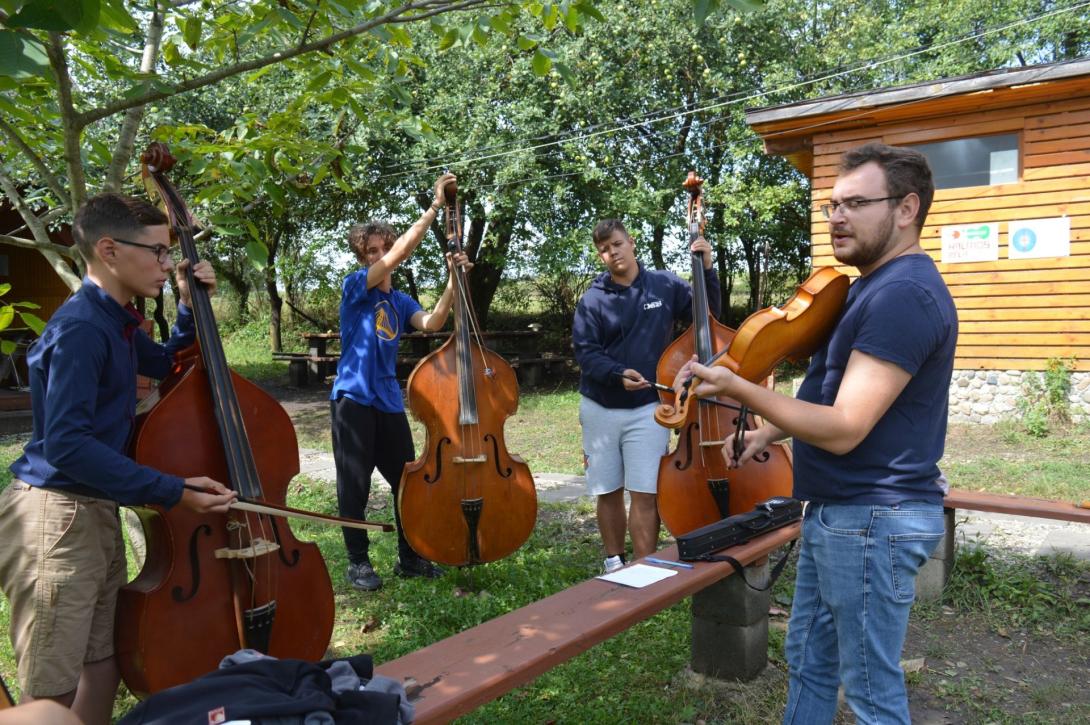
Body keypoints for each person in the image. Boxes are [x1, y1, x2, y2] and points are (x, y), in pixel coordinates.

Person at [678, 143, 956, 724]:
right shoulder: (869, 286)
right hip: (844, 515)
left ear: (906, 209)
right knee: (808, 658)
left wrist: (735, 388)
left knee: (871, 695)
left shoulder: (903, 295)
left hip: (873, 518)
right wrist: (766, 434)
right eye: (833, 204)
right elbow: (836, 397)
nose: (836, 216)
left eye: (856, 203)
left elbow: (847, 427)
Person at [0, 193, 238, 725]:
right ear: (108, 250)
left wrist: (186, 303)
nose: (167, 263)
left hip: (90, 510)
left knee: (101, 662)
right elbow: (66, 444)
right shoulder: (84, 327)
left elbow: (168, 363)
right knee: (50, 692)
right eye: (157, 252)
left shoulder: (118, 320)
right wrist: (171, 489)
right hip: (56, 517)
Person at [331, 172, 472, 592]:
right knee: (353, 485)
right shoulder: (356, 287)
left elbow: (433, 322)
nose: (380, 255)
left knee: (406, 483)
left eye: (383, 247)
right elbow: (400, 255)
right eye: (371, 252)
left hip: (389, 401)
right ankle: (358, 563)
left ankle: (410, 558)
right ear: (364, 259)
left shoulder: (399, 301)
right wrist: (433, 209)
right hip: (353, 399)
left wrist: (453, 280)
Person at [572, 218, 720, 573]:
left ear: (632, 242)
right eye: (604, 250)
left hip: (651, 409)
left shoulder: (665, 284)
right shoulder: (592, 300)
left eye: (617, 245)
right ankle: (613, 561)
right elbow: (585, 352)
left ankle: (645, 568)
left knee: (645, 491)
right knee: (607, 490)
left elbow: (708, 317)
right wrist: (616, 374)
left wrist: (708, 268)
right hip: (600, 407)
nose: (612, 254)